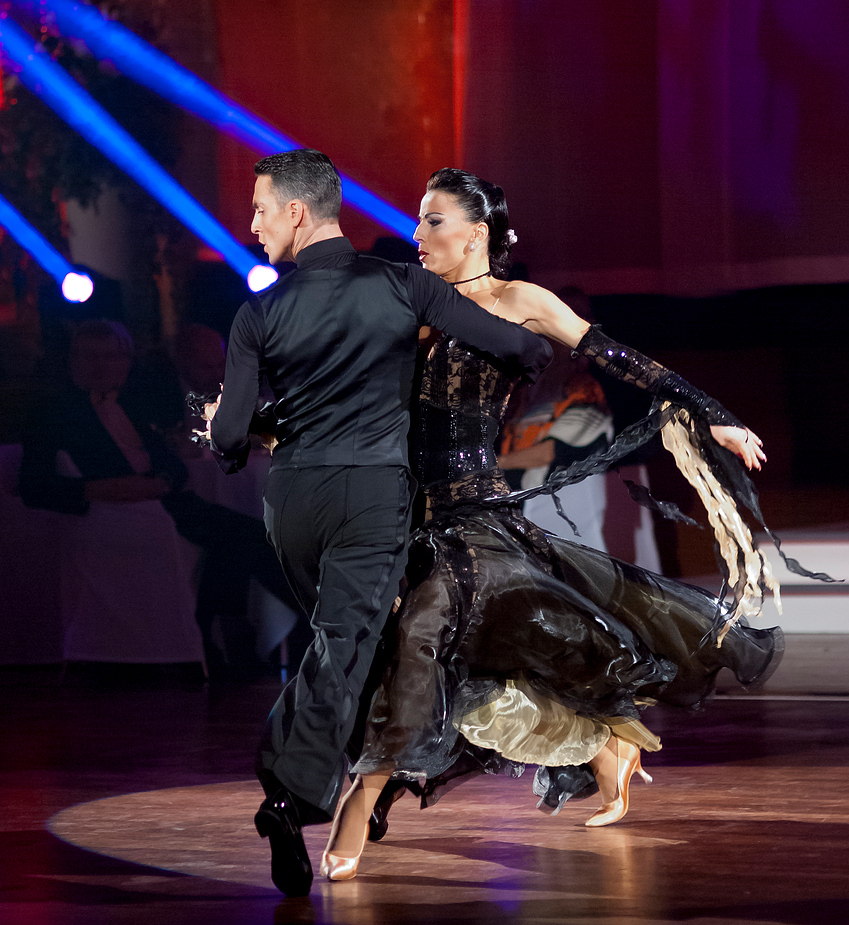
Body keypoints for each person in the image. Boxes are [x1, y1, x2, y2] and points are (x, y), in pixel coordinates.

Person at [318, 167, 787, 882]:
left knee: (423, 636)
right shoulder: (409, 302)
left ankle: (364, 792)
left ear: (476, 233)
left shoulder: (519, 302)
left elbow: (618, 358)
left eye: (432, 220)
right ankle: (605, 750)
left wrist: (710, 412)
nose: (416, 234)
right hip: (400, 513)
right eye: (416, 220)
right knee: (458, 656)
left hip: (472, 509)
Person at [201, 150, 552, 896]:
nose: (252, 223)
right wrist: (523, 366)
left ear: (298, 211)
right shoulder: (403, 284)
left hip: (291, 501)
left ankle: (300, 790)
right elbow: (513, 342)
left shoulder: (257, 311)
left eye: (260, 207)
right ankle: (287, 794)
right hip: (369, 496)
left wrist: (235, 431)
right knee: (344, 643)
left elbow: (230, 435)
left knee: (341, 641)